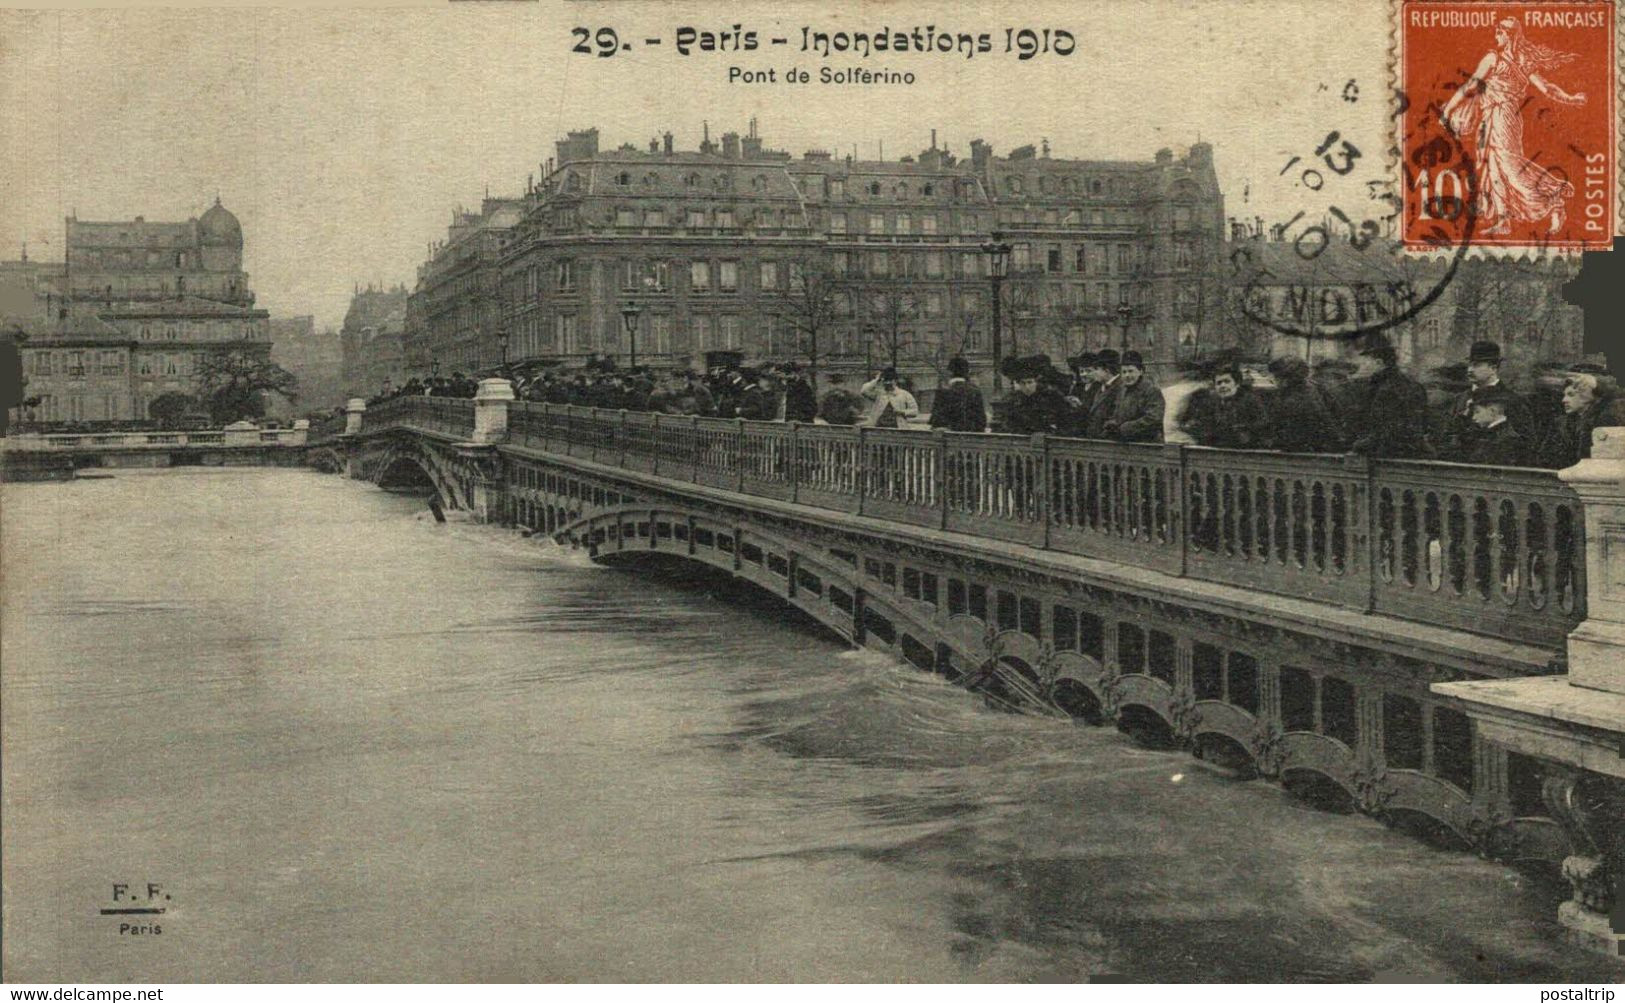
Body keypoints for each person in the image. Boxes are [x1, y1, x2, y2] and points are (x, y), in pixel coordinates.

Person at [1440, 18, 1587, 236]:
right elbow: (1472, 85)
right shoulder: (1496, 58)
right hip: (1490, 116)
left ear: (1509, 35)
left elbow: (1547, 88)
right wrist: (1448, 110)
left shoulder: (1511, 60)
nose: (1496, 37)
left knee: (1510, 165)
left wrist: (1571, 98)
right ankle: (1503, 220)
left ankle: (1554, 198)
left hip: (1506, 116)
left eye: (1498, 33)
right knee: (1493, 168)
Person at [1347, 333, 1432, 458]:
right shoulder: (1413, 384)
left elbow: (1382, 433)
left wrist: (1357, 446)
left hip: (1390, 457)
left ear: (1379, 362)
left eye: (1365, 362)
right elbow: (1424, 423)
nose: (1361, 367)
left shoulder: (1384, 389)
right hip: (1416, 453)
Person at [1444, 341, 1533, 451]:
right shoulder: (1460, 399)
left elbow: (1524, 442)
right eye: (1469, 365)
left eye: (1477, 365)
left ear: (1493, 368)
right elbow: (1447, 434)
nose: (1470, 370)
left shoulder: (1513, 401)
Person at [1537, 372, 1622, 468]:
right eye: (1564, 395)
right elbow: (1545, 456)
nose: (1564, 400)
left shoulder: (1603, 421)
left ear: (1587, 396)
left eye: (1571, 395)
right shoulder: (1561, 424)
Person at [1265, 356, 1344, 452]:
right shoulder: (1311, 388)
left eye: (1278, 377)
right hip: (1299, 444)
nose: (1276, 381)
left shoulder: (1306, 393)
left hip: (1309, 444)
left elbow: (1323, 415)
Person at [1186, 361, 1269, 448]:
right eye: (1219, 383)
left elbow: (1261, 426)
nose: (1222, 386)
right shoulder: (1211, 403)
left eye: (1227, 381)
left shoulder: (1250, 401)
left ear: (1237, 384)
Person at [1097, 350, 1165, 443]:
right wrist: (1112, 424)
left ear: (1141, 371)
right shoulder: (1122, 390)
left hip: (1148, 445)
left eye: (1131, 371)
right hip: (1126, 444)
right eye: (1124, 372)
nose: (1127, 375)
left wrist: (1125, 428)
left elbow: (1153, 419)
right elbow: (1118, 414)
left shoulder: (1151, 391)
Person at [1458, 383, 1531, 466]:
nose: (1473, 417)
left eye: (1477, 412)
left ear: (1493, 411)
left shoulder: (1507, 440)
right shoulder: (1487, 434)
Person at [1002, 356, 1071, 435]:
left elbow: (1066, 423)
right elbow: (1008, 425)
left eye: (1030, 382)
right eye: (1023, 383)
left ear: (1036, 382)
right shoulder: (1013, 400)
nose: (1027, 387)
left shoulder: (1052, 397)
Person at [929, 355, 988, 433]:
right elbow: (981, 421)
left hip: (950, 440)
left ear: (950, 372)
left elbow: (936, 422)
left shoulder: (943, 392)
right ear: (967, 372)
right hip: (972, 439)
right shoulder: (975, 391)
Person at [1083, 349, 1123, 437]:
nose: (1094, 373)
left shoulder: (1120, 388)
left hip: (1108, 443)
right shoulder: (1101, 387)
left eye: (1097, 369)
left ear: (1107, 370)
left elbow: (1117, 417)